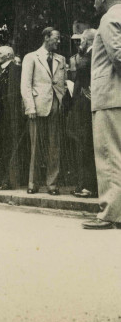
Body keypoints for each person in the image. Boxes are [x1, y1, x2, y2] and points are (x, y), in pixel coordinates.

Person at [82, 0, 121, 229]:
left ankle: (111, 213)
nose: (94, 4)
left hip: (109, 97)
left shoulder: (109, 18)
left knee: (109, 155)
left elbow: (118, 54)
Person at [21, 27, 66, 195]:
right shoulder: (31, 57)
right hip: (37, 106)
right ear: (47, 37)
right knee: (36, 147)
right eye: (57, 38)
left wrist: (61, 102)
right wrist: (30, 107)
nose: (59, 42)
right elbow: (25, 85)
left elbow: (62, 82)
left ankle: (52, 184)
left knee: (54, 146)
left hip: (56, 105)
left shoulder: (61, 59)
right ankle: (33, 183)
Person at [67, 29, 98, 198]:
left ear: (87, 41)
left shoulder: (90, 55)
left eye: (81, 41)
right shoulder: (91, 54)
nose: (79, 44)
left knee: (86, 146)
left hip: (86, 106)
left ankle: (88, 186)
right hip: (84, 104)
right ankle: (85, 185)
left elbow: (86, 81)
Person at [0, 46, 23, 189]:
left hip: (9, 116)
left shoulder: (14, 69)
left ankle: (8, 180)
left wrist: (0, 100)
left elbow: (14, 93)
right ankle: (2, 179)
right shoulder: (2, 71)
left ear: (9, 55)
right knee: (1, 147)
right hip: (0, 115)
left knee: (8, 147)